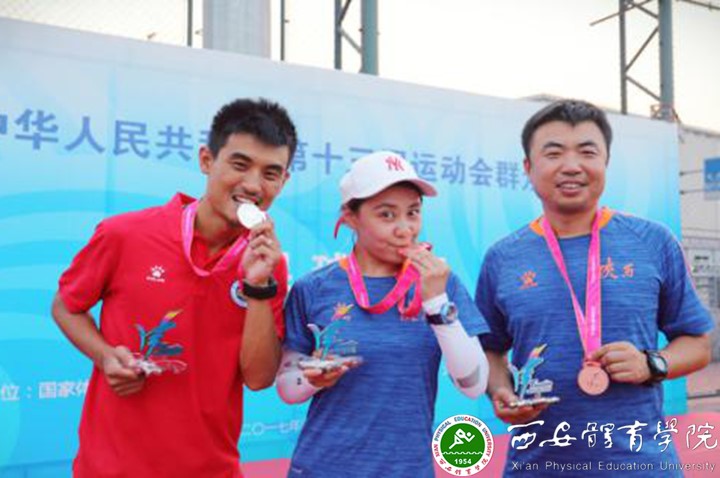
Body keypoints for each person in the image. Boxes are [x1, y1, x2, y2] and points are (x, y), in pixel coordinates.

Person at [51, 98, 297, 477]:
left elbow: (258, 378)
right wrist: (105, 356)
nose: (252, 185)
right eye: (239, 164)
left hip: (212, 469)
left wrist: (259, 286)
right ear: (206, 160)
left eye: (270, 173)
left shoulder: (270, 264)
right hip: (111, 468)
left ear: (284, 181)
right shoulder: (125, 234)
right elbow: (66, 305)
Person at [475, 99, 714, 476]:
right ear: (528, 168)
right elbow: (488, 349)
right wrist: (501, 391)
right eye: (554, 153)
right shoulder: (503, 258)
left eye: (587, 152)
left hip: (640, 466)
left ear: (605, 163)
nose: (572, 165)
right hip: (537, 467)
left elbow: (698, 344)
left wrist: (651, 363)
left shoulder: (653, 242)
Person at [276, 151, 490, 477]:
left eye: (413, 212)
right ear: (350, 217)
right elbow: (287, 388)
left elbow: (473, 385)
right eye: (387, 215)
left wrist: (436, 304)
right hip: (322, 468)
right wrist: (311, 379)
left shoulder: (440, 283)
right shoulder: (314, 288)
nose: (405, 229)